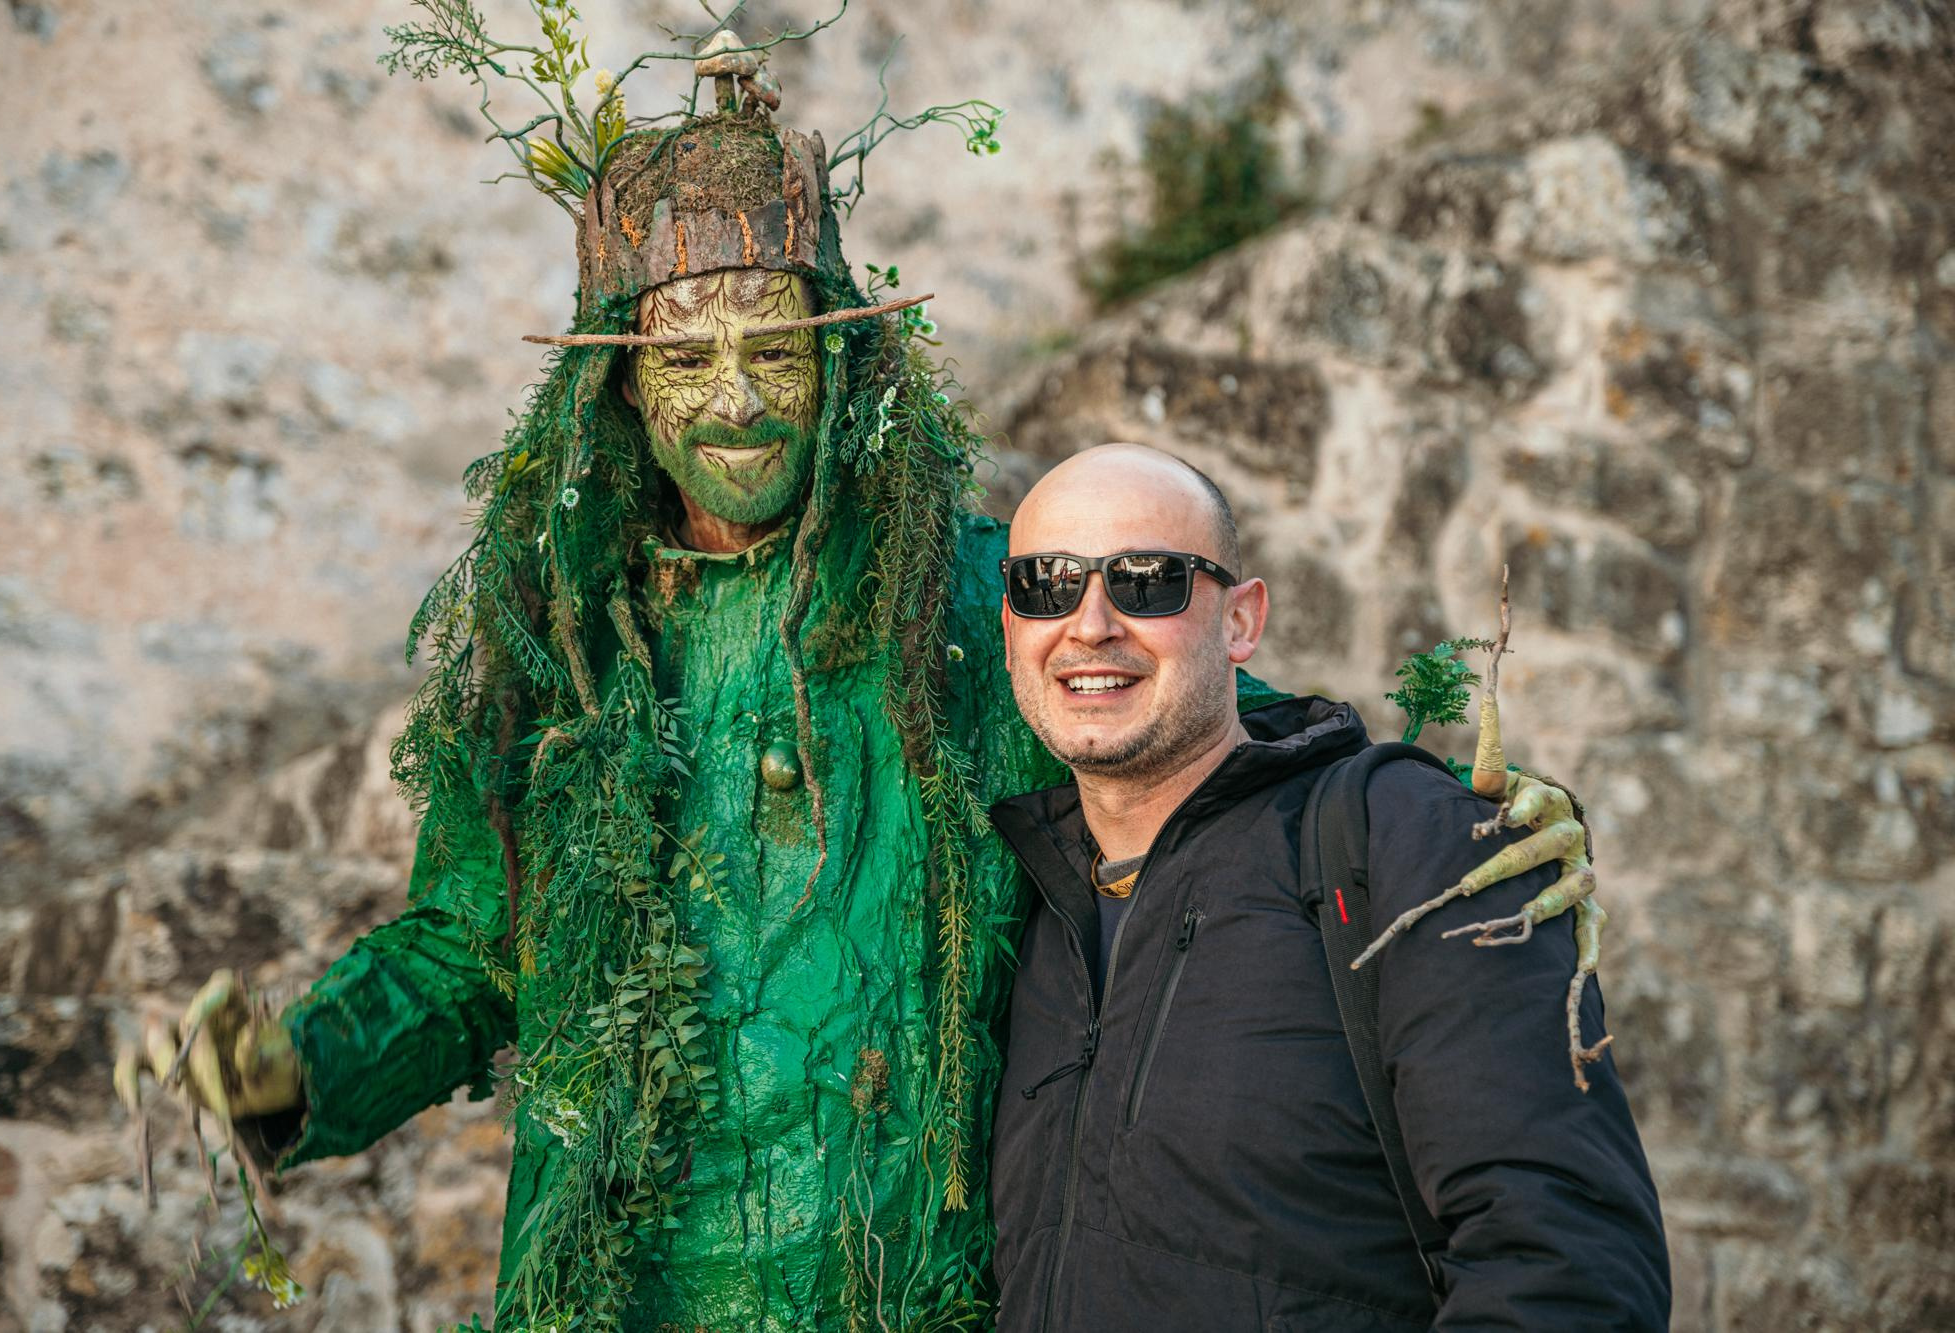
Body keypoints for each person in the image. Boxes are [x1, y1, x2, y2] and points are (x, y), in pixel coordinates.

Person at [113, 22, 1612, 1333]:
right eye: (688, 363)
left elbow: (1177, 733)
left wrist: (1457, 820)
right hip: (621, 1290)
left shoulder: (972, 602)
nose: (742, 398)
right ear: (620, 387)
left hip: (918, 1285)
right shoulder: (557, 652)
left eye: (778, 348)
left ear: (845, 365)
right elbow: (461, 952)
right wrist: (293, 1070)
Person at [988, 444, 1670, 1331]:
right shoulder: (1027, 905)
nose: (1089, 624)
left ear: (1241, 621)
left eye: (1146, 580)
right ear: (1010, 629)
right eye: (1047, 583)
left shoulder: (1400, 839)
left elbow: (1571, 1269)